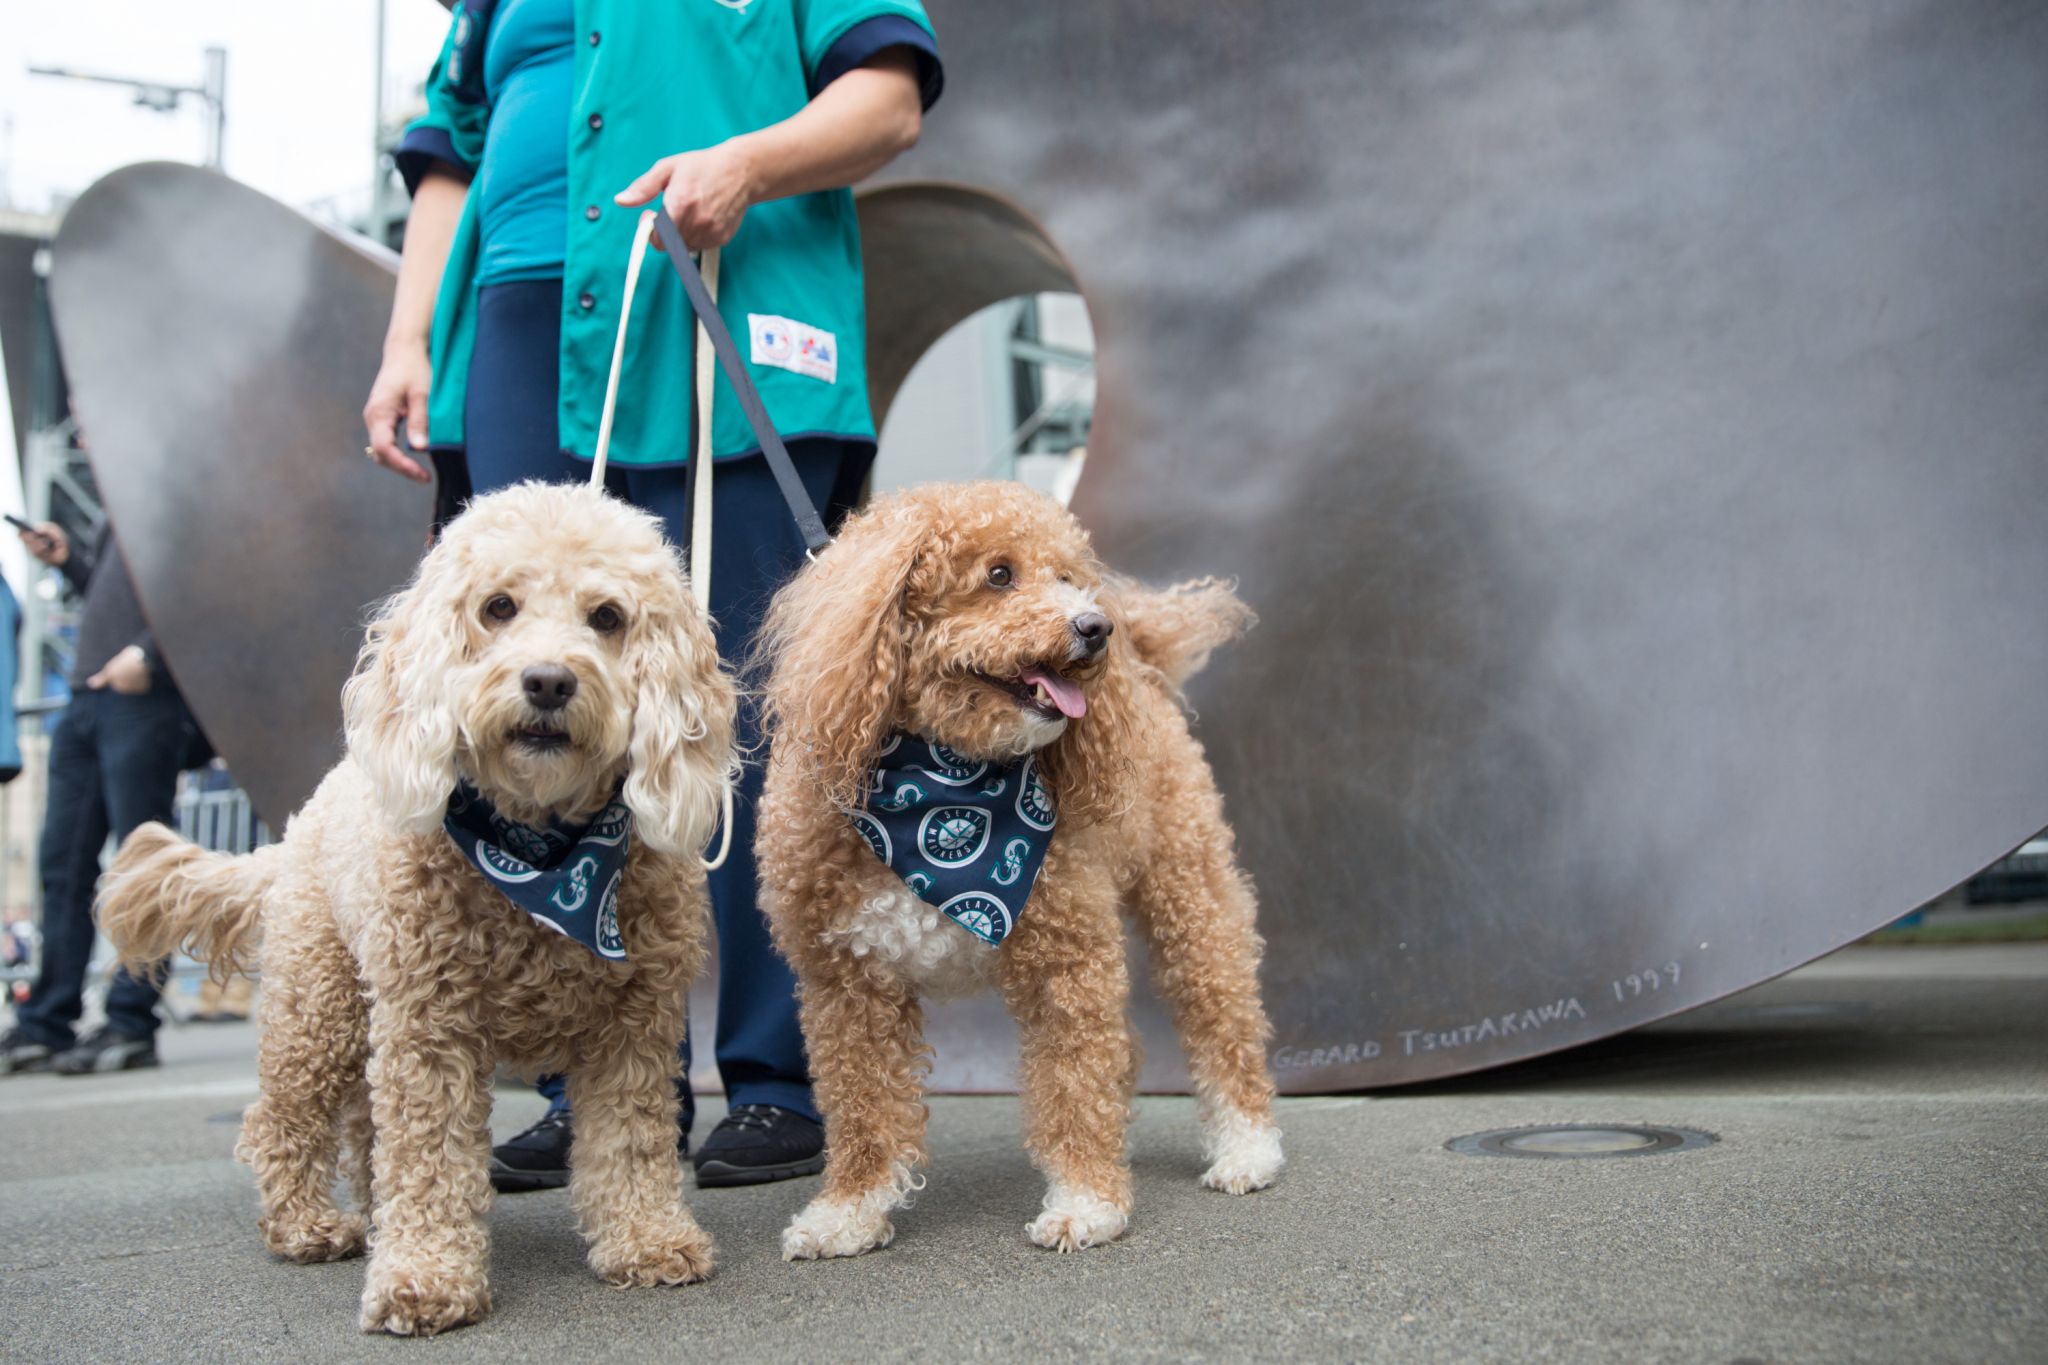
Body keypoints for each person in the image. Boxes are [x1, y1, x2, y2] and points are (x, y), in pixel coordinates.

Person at [362, 0, 942, 1190]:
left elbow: (884, 102)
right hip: (518, 322)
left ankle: (785, 1073)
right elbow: (446, 154)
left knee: (741, 702)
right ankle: (599, 1080)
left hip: (723, 294)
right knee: (536, 712)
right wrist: (410, 337)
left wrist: (748, 162)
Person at [0, 519, 202, 1075]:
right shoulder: (119, 501)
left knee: (142, 864)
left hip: (139, 701)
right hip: (88, 698)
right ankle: (46, 1020)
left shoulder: (168, 492)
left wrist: (149, 655)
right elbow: (117, 602)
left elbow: (203, 588)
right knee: (61, 865)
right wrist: (67, 562)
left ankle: (132, 1022)